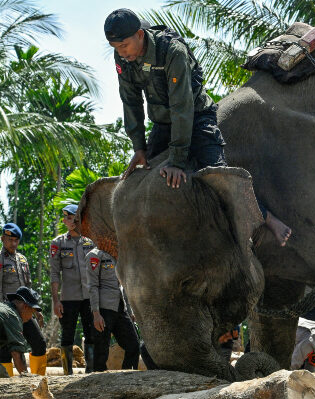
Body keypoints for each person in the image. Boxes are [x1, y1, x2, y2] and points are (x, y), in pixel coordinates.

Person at [105, 8, 292, 246]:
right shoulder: (123, 57)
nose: (121, 52)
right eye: (115, 48)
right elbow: (130, 100)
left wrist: (177, 160)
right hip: (163, 122)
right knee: (142, 181)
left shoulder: (172, 51)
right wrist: (139, 147)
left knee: (219, 176)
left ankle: (269, 219)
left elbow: (182, 106)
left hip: (196, 116)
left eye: (124, 45)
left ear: (140, 35)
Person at [0, 223, 47, 376]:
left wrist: (36, 310)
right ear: (2, 239)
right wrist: (1, 318)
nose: (13, 244)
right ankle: (6, 385)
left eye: (16, 240)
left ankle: (39, 381)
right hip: (8, 314)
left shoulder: (22, 259)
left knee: (39, 343)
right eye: (10, 240)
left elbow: (28, 289)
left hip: (25, 311)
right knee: (6, 350)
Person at [50, 204, 96, 374]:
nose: (71, 221)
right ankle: (67, 373)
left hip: (89, 296)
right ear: (65, 221)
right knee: (67, 334)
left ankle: (90, 371)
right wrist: (56, 301)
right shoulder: (58, 244)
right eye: (68, 218)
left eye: (74, 217)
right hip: (68, 297)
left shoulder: (90, 241)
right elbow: (55, 274)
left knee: (91, 333)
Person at [85, 247, 140, 371]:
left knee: (133, 345)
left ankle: (128, 378)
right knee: (101, 351)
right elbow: (92, 286)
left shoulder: (118, 254)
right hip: (103, 308)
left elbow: (124, 285)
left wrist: (129, 311)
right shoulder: (94, 255)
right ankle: (98, 383)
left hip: (120, 307)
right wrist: (96, 314)